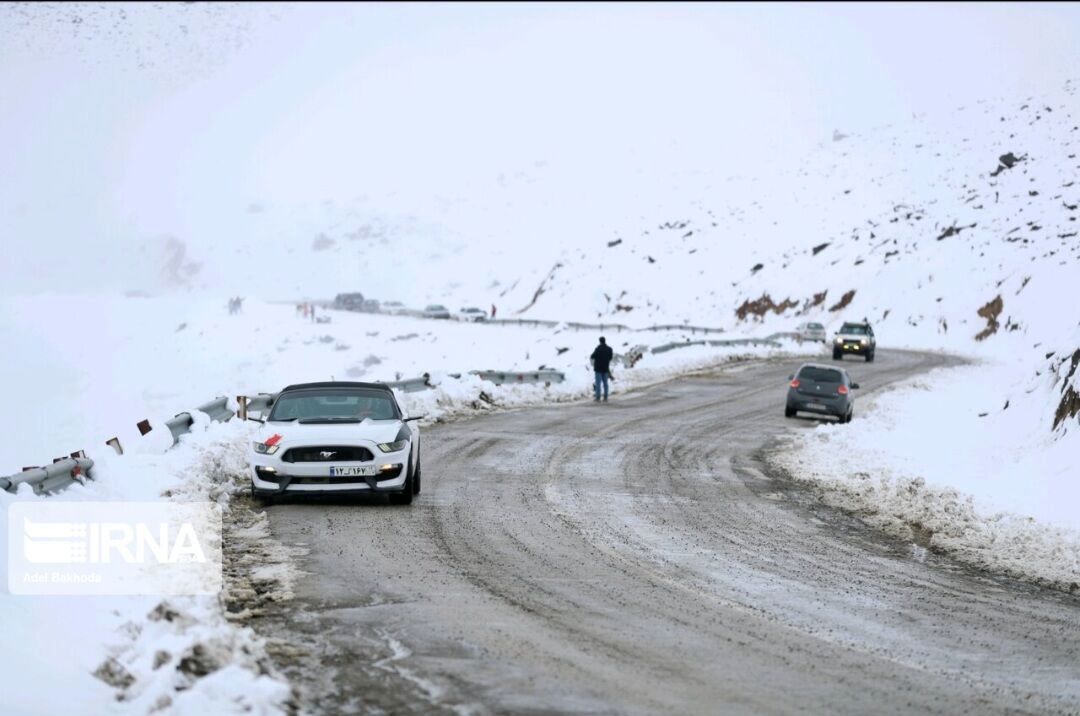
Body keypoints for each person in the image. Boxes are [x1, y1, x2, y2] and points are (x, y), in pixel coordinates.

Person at [590, 336, 614, 402]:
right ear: (605, 341)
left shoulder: (598, 349)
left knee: (598, 384)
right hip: (605, 368)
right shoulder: (609, 349)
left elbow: (592, 356)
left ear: (600, 341)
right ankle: (605, 397)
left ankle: (598, 397)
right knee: (605, 383)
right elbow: (610, 357)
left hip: (598, 369)